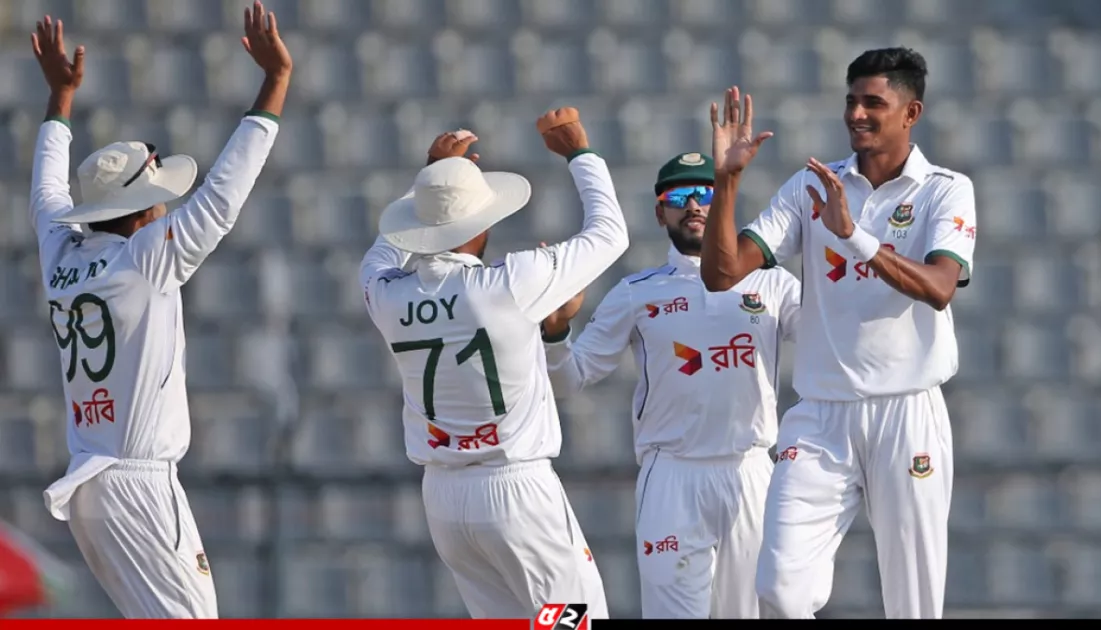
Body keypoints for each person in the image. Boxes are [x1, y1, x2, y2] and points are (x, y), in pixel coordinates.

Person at [30, 2, 291, 618]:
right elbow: (222, 196)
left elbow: (47, 192)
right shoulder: (146, 257)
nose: (167, 208)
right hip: (139, 485)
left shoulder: (61, 253)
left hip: (90, 482)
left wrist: (59, 100)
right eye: (159, 199)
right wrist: (275, 84)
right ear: (142, 212)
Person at [698, 48, 977, 619]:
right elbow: (721, 274)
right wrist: (726, 182)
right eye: (851, 101)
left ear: (911, 113)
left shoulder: (945, 189)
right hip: (820, 414)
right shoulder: (812, 185)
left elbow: (940, 287)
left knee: (913, 603)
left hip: (906, 410)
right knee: (780, 589)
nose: (856, 114)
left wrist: (854, 236)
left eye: (874, 102)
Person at [358, 111, 628, 619]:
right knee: (576, 622)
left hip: (445, 500)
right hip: (516, 492)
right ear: (480, 225)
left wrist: (433, 180)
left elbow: (382, 252)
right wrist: (580, 152)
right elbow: (610, 234)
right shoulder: (511, 281)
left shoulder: (385, 295)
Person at [539, 151, 800, 619]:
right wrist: (555, 331)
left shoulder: (773, 283)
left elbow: (834, 335)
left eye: (705, 194)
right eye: (679, 197)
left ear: (725, 202)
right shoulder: (637, 292)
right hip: (672, 477)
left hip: (750, 470)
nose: (694, 205)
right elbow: (569, 379)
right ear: (660, 214)